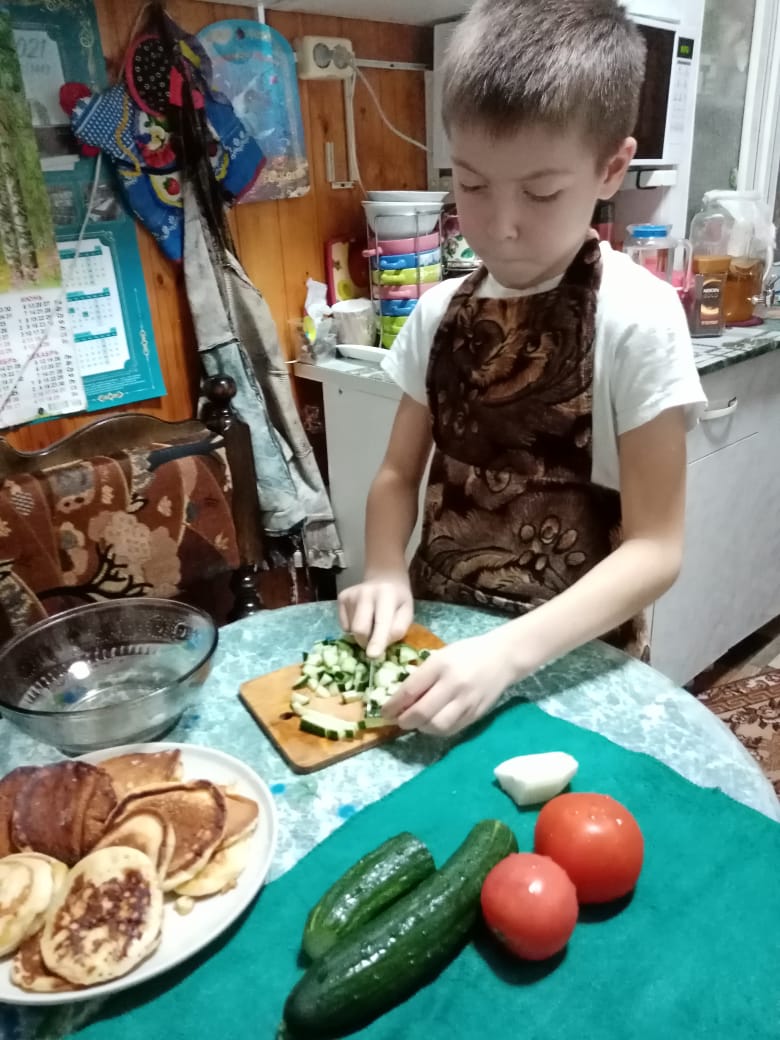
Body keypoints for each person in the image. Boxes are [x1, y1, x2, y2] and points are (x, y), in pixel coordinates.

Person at [338, 0, 706, 737]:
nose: (499, 225)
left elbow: (657, 549)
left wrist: (505, 656)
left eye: (540, 192)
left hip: (577, 667)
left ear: (611, 168)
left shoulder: (638, 318)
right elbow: (397, 476)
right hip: (439, 648)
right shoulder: (439, 314)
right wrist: (381, 570)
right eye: (472, 185)